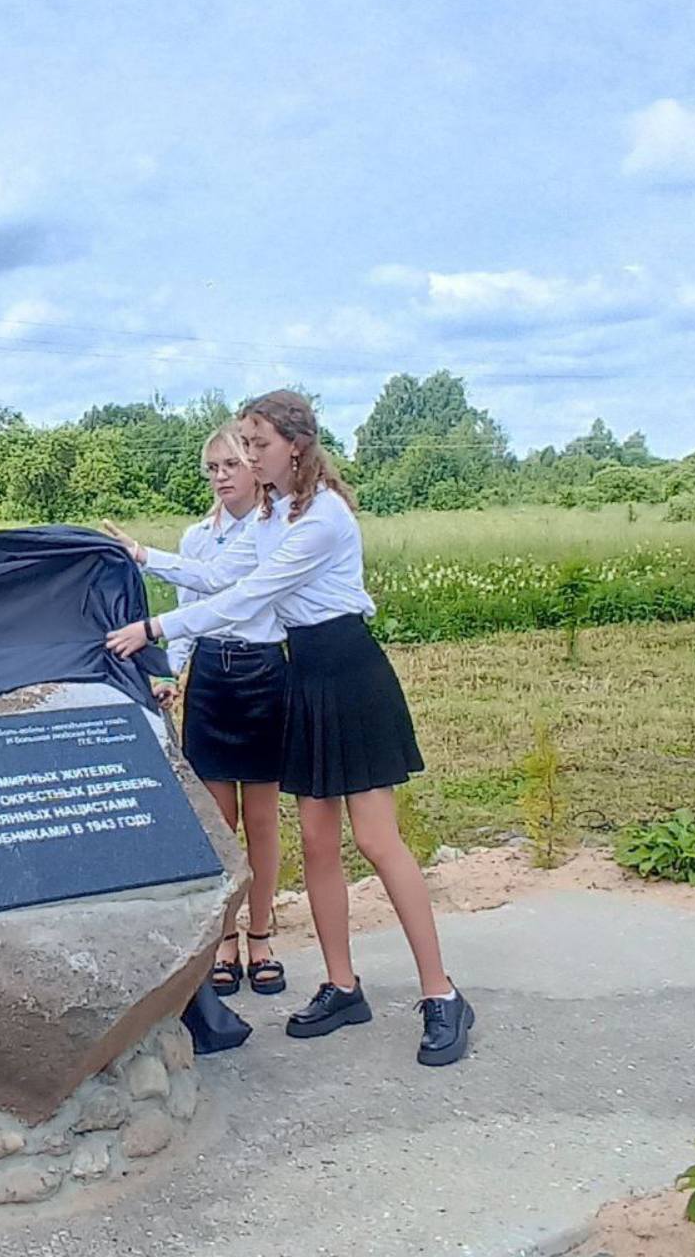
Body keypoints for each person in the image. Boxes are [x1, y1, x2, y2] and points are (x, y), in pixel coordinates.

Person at [106, 390, 473, 1067]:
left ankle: (441, 994)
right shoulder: (271, 515)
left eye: (258, 445)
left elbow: (249, 597)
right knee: (316, 840)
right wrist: (144, 557)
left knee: (376, 839)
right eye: (243, 445)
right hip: (302, 676)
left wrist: (157, 628)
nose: (247, 457)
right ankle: (342, 985)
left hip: (351, 675)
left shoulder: (323, 518)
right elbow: (219, 573)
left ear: (295, 447)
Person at [140, 422, 287, 997]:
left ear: (255, 467)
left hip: (261, 672)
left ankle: (262, 932)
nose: (222, 477)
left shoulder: (278, 530)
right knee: (219, 819)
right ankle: (224, 937)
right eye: (213, 468)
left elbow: (225, 587)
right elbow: (191, 607)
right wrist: (174, 670)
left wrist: (146, 555)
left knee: (263, 819)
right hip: (212, 679)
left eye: (231, 465)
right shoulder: (198, 535)